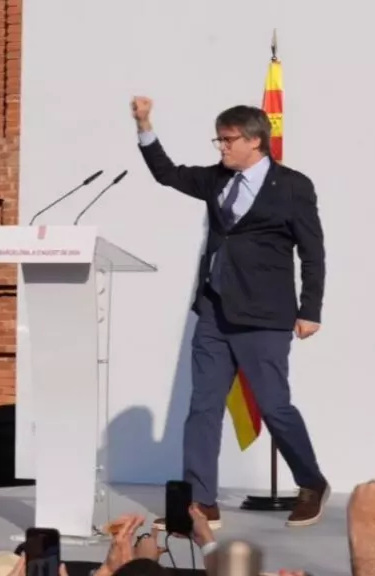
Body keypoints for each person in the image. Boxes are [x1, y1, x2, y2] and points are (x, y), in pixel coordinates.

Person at [131, 97, 329, 528]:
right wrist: (145, 125)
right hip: (214, 311)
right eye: (218, 138)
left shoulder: (293, 185)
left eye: (227, 139)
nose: (220, 147)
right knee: (202, 407)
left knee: (275, 407)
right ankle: (201, 501)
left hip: (265, 315)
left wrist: (310, 309)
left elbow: (312, 252)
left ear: (255, 141)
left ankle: (311, 482)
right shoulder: (216, 179)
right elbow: (167, 174)